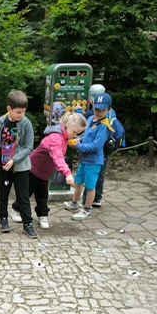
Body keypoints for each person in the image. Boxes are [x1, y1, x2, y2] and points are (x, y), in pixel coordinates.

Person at [16, 112, 87, 230]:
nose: (75, 136)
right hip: (33, 168)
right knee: (26, 192)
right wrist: (67, 173)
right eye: (75, 132)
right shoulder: (56, 138)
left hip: (44, 172)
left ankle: (42, 215)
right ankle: (16, 209)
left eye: (78, 134)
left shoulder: (64, 136)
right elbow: (57, 157)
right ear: (68, 125)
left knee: (43, 195)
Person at [0, 90, 37, 238]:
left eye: (23, 112)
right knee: (2, 194)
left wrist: (14, 160)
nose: (21, 115)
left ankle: (27, 223)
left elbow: (29, 147)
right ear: (9, 109)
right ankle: (3, 218)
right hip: (3, 164)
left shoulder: (26, 124)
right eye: (18, 112)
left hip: (20, 166)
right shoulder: (1, 122)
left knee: (23, 196)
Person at [63, 92, 112, 221]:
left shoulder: (104, 126)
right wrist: (78, 139)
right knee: (78, 182)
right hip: (84, 159)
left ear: (108, 109)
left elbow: (96, 146)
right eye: (96, 109)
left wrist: (78, 146)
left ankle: (87, 209)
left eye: (102, 110)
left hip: (94, 161)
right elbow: (85, 135)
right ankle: (74, 203)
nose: (98, 112)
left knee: (90, 186)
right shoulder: (90, 119)